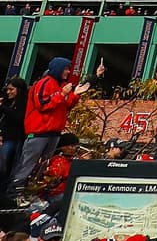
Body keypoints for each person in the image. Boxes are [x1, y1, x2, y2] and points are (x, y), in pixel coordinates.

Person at [7, 58, 100, 196]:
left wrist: (75, 95)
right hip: (39, 133)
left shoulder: (61, 85)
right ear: (58, 68)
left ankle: (31, 192)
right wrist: (62, 94)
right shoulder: (43, 83)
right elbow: (43, 105)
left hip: (54, 132)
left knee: (43, 166)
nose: (68, 72)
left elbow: (66, 106)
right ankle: (13, 192)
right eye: (65, 69)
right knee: (28, 164)